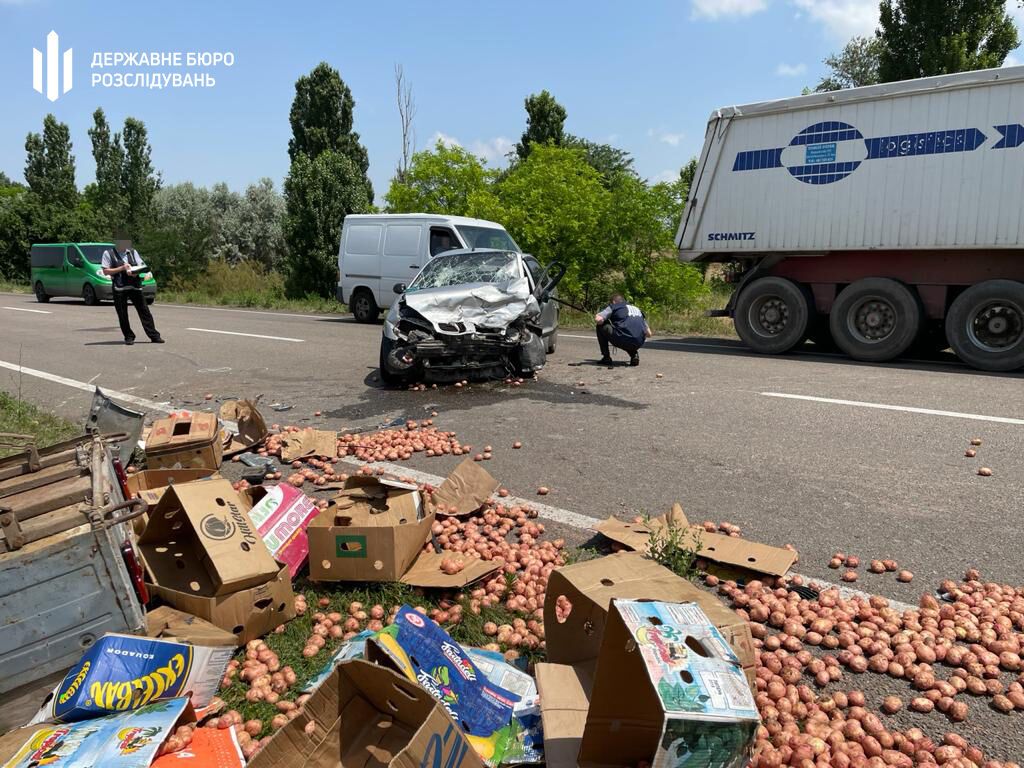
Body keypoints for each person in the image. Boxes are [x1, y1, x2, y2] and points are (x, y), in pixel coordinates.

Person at [101, 245, 164, 345]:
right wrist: (122, 268)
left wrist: (136, 272)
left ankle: (154, 336)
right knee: (122, 314)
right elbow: (105, 271)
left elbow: (143, 266)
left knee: (145, 311)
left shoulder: (132, 252)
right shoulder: (108, 253)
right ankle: (129, 336)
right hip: (119, 288)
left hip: (135, 286)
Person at [594, 293, 651, 366]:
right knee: (629, 335)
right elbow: (649, 333)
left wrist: (598, 316)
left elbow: (599, 320)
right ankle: (634, 354)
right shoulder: (637, 309)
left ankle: (606, 357)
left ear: (614, 302)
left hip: (621, 339)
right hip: (638, 342)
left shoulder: (614, 306)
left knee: (601, 326)